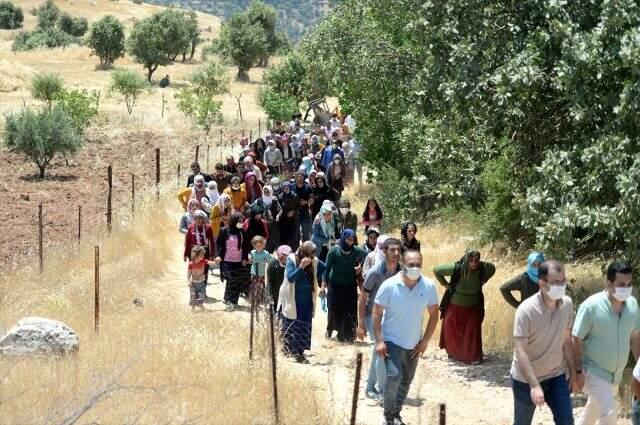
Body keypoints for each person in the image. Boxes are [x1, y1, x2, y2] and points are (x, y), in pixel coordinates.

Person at [373, 249, 439, 425]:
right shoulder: (389, 285)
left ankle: (396, 413)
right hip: (391, 340)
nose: (415, 268)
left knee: (406, 380)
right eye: (411, 265)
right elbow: (377, 312)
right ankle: (387, 416)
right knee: (395, 376)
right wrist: (379, 340)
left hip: (414, 343)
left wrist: (425, 341)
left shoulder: (429, 286)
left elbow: (434, 315)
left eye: (418, 264)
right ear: (403, 264)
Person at [572, 261, 640, 425]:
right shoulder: (590, 306)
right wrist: (578, 371)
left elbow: (635, 337)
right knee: (609, 412)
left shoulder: (632, 305)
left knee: (592, 411)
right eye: (621, 284)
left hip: (615, 374)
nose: (626, 288)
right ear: (609, 284)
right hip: (592, 371)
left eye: (629, 284)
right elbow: (576, 338)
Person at [510, 260, 577, 425]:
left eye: (563, 281)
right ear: (542, 283)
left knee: (567, 421)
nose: (561, 286)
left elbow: (566, 341)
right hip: (525, 380)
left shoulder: (567, 304)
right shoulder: (526, 310)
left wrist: (574, 372)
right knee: (522, 422)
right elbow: (521, 351)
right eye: (555, 282)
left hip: (556, 376)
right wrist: (534, 385)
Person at [357, 237, 402, 403]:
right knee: (382, 353)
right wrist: (361, 324)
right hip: (373, 317)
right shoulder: (375, 272)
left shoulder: (402, 272)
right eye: (392, 250)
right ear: (384, 251)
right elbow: (363, 298)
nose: (396, 253)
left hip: (391, 318)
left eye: (398, 250)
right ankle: (383, 391)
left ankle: (370, 387)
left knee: (380, 354)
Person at [434, 249, 496, 364]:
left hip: (474, 307)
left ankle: (473, 357)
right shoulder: (457, 268)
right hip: (455, 306)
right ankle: (453, 353)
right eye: (471, 261)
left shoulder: (482, 268)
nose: (473, 264)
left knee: (472, 330)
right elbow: (437, 270)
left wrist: (484, 279)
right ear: (466, 260)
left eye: (476, 261)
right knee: (453, 330)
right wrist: (445, 284)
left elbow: (493, 268)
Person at [279, 241, 325, 363]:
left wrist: (316, 277)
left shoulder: (313, 261)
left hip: (307, 301)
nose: (312, 256)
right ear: (304, 252)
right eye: (310, 253)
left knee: (304, 326)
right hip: (292, 299)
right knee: (292, 325)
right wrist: (301, 267)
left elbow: (324, 267)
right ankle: (288, 349)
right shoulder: (291, 259)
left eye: (313, 254)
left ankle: (299, 353)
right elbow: (290, 277)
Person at [321, 229, 367, 342]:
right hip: (335, 284)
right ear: (343, 238)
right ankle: (330, 329)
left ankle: (347, 335)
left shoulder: (356, 250)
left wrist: (360, 267)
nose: (350, 242)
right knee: (333, 308)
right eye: (348, 239)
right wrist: (323, 284)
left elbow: (369, 256)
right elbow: (326, 269)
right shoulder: (334, 251)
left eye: (352, 240)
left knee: (349, 309)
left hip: (350, 284)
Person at [216, 212, 250, 311]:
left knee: (236, 281)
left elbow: (245, 246)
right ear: (234, 221)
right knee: (232, 280)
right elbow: (219, 244)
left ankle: (230, 300)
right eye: (239, 221)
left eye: (242, 221)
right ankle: (231, 302)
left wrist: (245, 258)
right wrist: (218, 255)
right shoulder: (224, 230)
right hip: (226, 260)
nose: (241, 223)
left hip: (239, 261)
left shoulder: (242, 231)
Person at [183, 210, 215, 293]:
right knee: (194, 271)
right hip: (194, 253)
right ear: (194, 219)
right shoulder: (190, 227)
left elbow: (211, 241)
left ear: (203, 218)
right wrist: (185, 254)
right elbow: (188, 242)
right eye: (196, 218)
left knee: (204, 271)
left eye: (200, 218)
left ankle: (203, 291)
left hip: (204, 252)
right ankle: (194, 291)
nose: (198, 220)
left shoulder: (208, 227)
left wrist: (212, 255)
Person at [252, 185, 281, 253]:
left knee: (272, 238)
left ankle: (269, 252)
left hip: (272, 223)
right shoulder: (259, 200)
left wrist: (278, 216)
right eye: (265, 191)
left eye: (268, 191)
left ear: (270, 191)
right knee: (263, 237)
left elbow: (280, 210)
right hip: (262, 223)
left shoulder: (274, 199)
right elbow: (252, 208)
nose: (266, 192)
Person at [187, 246, 216, 311]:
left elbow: (212, 263)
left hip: (202, 283)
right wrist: (188, 281)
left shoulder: (203, 261)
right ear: (196, 255)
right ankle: (193, 308)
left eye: (203, 253)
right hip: (193, 284)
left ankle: (199, 305)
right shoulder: (191, 264)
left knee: (202, 296)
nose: (203, 255)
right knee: (193, 297)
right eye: (201, 254)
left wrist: (216, 261)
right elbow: (189, 274)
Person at [266, 245, 291, 310]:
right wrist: (270, 296)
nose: (284, 260)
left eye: (286, 258)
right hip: (275, 292)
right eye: (282, 258)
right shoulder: (273, 263)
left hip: (287, 294)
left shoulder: (292, 263)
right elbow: (270, 282)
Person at [249, 235, 271, 308]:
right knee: (254, 287)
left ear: (263, 245)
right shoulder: (252, 252)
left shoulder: (266, 253)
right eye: (257, 246)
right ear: (254, 245)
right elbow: (251, 261)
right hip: (254, 273)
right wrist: (249, 260)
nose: (258, 247)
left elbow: (269, 262)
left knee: (261, 288)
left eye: (260, 246)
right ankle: (254, 301)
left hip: (262, 274)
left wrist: (265, 263)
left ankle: (260, 300)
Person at [278, 182, 300, 251]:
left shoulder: (295, 195)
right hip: (283, 220)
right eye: (284, 188)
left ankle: (294, 251)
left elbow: (299, 206)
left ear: (290, 188)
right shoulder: (280, 196)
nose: (286, 189)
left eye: (287, 188)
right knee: (284, 236)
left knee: (293, 236)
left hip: (293, 219)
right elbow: (278, 208)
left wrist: (293, 212)